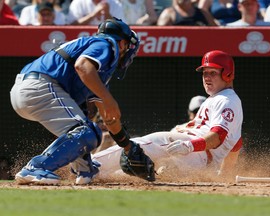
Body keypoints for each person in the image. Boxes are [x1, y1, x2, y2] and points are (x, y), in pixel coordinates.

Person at [10, 17, 154, 185]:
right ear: (122, 43)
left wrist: (128, 147)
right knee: (87, 131)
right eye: (127, 46)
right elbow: (82, 66)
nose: (126, 51)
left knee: (86, 128)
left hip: (30, 90)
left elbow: (109, 117)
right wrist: (109, 99)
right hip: (41, 87)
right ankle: (36, 167)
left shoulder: (96, 71)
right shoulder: (106, 44)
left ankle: (85, 170)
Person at [93, 50, 243, 180]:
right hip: (194, 156)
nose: (206, 77)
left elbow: (218, 136)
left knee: (143, 144)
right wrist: (225, 173)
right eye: (204, 73)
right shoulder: (218, 98)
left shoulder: (227, 100)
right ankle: (96, 174)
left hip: (197, 152)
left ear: (228, 74)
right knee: (137, 168)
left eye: (213, 73)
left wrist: (190, 146)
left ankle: (90, 165)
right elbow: (236, 141)